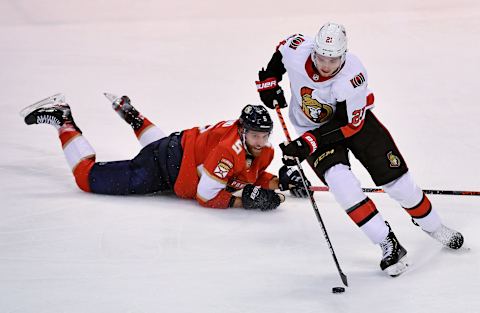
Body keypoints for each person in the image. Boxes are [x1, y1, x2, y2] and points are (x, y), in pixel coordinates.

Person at [255, 22, 464, 276]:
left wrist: (308, 143)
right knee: (343, 187)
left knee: (399, 184)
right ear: (313, 51)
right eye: (321, 57)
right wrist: (268, 81)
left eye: (333, 60)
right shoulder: (297, 48)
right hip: (310, 129)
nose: (326, 65)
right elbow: (280, 54)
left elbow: (348, 125)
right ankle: (387, 243)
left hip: (355, 125)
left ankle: (433, 226)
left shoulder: (353, 76)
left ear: (343, 56)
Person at [20, 93, 311, 210]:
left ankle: (134, 117)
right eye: (255, 135)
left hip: (177, 147)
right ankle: (63, 118)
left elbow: (247, 174)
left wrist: (279, 183)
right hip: (164, 168)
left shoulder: (262, 148)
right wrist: (245, 201)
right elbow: (206, 195)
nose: (260, 141)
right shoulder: (227, 150)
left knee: (160, 148)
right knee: (86, 178)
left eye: (264, 136)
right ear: (243, 130)